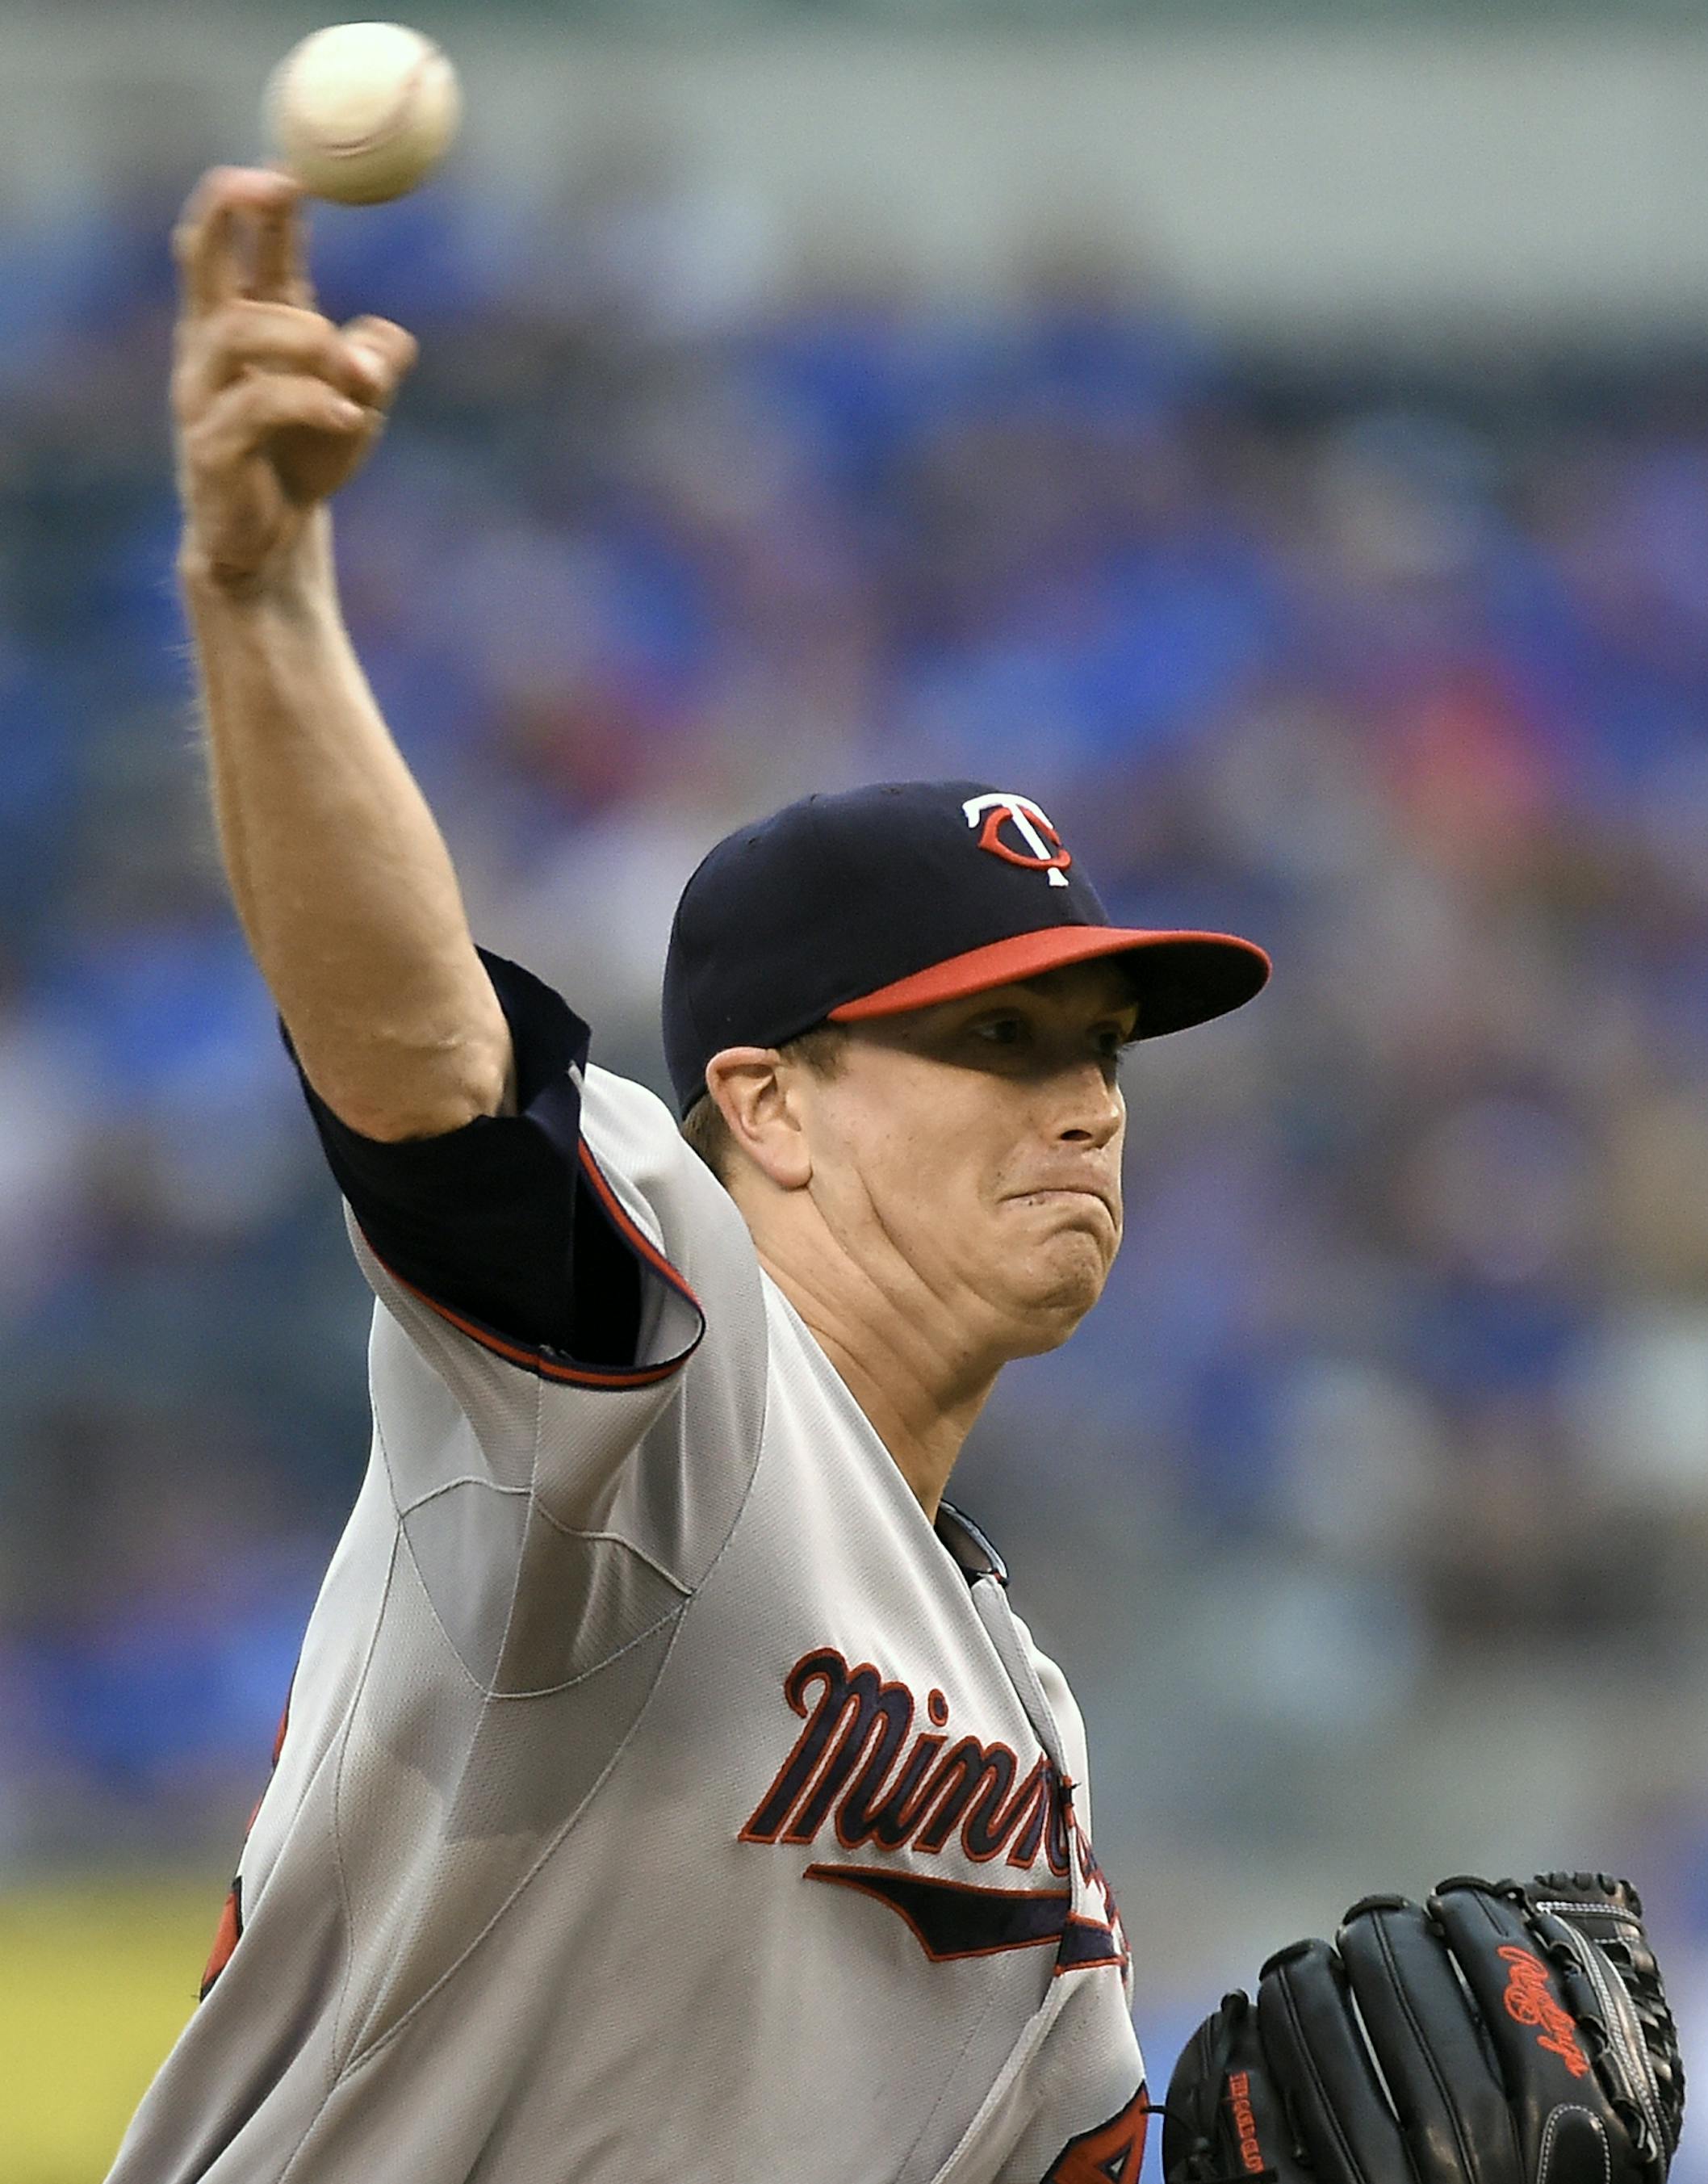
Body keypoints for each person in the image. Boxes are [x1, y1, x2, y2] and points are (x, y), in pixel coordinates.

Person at [108, 166, 1269, 2184]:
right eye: (993, 1041)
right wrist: (267, 596)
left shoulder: (1033, 1718)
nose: (1084, 1105)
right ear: (773, 1105)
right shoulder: (654, 1387)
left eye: (1098, 1051)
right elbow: (426, 1074)